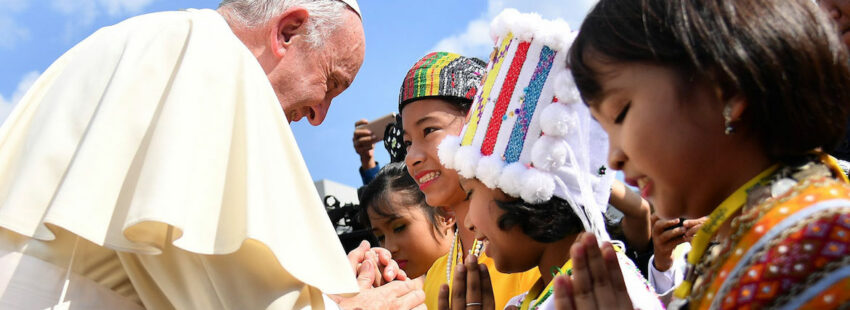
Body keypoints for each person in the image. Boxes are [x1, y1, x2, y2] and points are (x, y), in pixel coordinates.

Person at [0, 0, 423, 308]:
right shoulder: (210, 59)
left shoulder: (133, 40)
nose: (318, 115)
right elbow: (205, 263)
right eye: (330, 83)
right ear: (288, 31)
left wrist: (323, 287)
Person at [553, 0, 850, 309]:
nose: (614, 158)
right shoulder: (758, 236)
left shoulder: (814, 239)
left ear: (727, 88)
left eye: (620, 113)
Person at [433, 10, 661, 310]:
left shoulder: (600, 297)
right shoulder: (542, 296)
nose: (470, 222)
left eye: (472, 191)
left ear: (528, 191)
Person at [398, 51, 542, 310]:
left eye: (429, 131)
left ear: (478, 126)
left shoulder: (523, 253)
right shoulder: (435, 275)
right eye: (407, 143)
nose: (411, 157)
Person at [357, 162, 455, 280]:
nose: (389, 248)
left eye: (399, 228)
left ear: (445, 214)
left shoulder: (480, 270)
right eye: (380, 237)